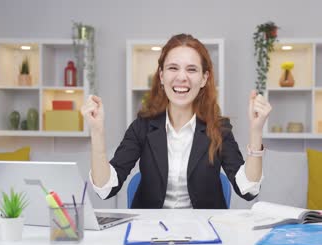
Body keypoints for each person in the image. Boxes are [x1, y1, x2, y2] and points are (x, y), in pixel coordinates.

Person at [81, 33, 272, 209]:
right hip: (150, 234)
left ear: (204, 78)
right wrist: (97, 132)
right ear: (162, 76)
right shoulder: (143, 126)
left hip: (205, 236)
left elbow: (247, 190)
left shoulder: (218, 128)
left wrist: (256, 132)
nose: (182, 77)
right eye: (173, 68)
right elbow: (105, 189)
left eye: (192, 69)